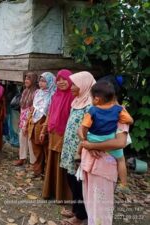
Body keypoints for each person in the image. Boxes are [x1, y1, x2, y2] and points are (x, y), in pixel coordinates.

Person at [77, 81, 133, 192]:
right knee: (121, 160)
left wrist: (86, 141)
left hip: (93, 138)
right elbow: (130, 120)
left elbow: (83, 127)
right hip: (110, 140)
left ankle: (77, 154)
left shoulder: (92, 110)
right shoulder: (119, 110)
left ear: (96, 99)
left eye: (91, 97)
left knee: (83, 140)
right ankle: (124, 184)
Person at [59, 71, 96, 225]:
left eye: (74, 84)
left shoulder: (90, 106)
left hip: (80, 151)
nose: (71, 87)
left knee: (79, 182)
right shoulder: (77, 101)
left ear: (84, 85)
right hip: (69, 148)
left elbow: (89, 131)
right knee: (71, 178)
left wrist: (79, 150)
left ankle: (80, 216)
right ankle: (75, 209)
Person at [80, 123, 130, 225]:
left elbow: (120, 143)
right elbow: (80, 129)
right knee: (91, 207)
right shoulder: (94, 109)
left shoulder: (119, 114)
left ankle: (124, 184)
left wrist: (92, 145)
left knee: (101, 211)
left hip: (103, 170)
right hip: (88, 165)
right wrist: (86, 143)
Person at [41, 69, 74, 201]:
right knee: (53, 161)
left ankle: (63, 194)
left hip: (66, 136)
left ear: (71, 80)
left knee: (63, 163)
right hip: (53, 133)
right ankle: (51, 191)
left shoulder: (74, 97)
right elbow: (49, 114)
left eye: (64, 79)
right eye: (58, 79)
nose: (61, 82)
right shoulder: (55, 95)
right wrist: (44, 130)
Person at [27, 72, 56, 177]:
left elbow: (50, 113)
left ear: (50, 82)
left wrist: (44, 128)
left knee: (46, 149)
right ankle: (37, 170)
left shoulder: (53, 95)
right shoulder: (38, 92)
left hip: (44, 123)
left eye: (44, 81)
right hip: (34, 122)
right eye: (40, 81)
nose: (41, 83)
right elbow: (33, 107)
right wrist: (28, 121)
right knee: (36, 149)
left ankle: (48, 173)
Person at [13, 72, 38, 166]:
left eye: (29, 79)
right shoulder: (25, 91)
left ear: (34, 80)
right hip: (23, 119)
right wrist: (21, 119)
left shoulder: (36, 92)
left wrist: (27, 122)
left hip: (31, 120)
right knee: (22, 139)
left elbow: (33, 109)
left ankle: (33, 162)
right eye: (26, 78)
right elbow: (22, 107)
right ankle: (22, 158)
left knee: (30, 142)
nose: (26, 80)